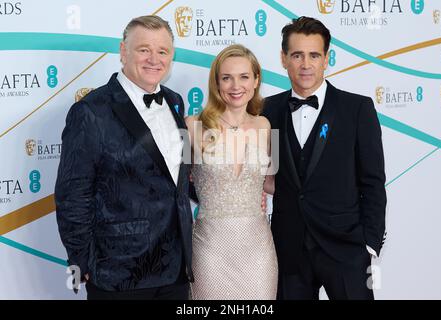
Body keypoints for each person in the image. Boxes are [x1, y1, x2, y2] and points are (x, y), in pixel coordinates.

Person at [55, 15, 194, 300]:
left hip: (176, 268)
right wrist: (83, 261)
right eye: (144, 49)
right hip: (119, 273)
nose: (154, 59)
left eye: (162, 51)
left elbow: (178, 177)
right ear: (123, 51)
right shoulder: (91, 111)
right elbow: (73, 195)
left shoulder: (175, 100)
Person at [262, 17, 386, 300]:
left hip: (347, 249)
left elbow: (373, 181)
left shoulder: (357, 109)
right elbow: (265, 173)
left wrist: (369, 244)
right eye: (297, 55)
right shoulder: (268, 110)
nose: (306, 64)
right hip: (289, 249)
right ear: (283, 59)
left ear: (326, 59)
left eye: (314, 55)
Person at [185, 44, 278, 300]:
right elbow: (179, 185)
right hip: (210, 250)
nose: (236, 86)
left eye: (244, 77)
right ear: (216, 83)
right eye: (227, 77)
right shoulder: (192, 126)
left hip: (257, 250)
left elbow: (271, 182)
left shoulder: (266, 126)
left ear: (256, 80)